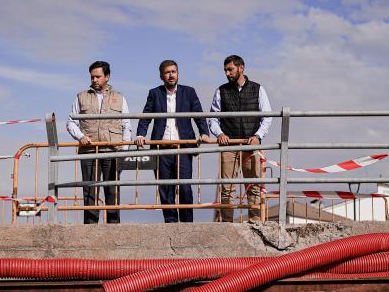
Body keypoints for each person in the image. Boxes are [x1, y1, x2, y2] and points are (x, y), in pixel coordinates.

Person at [136, 60, 211, 223]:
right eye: (167, 72)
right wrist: (140, 135)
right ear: (161, 76)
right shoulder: (154, 93)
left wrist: (204, 133)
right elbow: (145, 117)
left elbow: (199, 115)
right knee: (165, 188)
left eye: (174, 71)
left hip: (183, 147)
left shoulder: (189, 92)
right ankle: (171, 224)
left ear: (178, 73)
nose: (171, 75)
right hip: (162, 148)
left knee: (185, 188)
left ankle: (187, 225)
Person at [206, 55, 272, 223]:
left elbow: (267, 117)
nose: (227, 73)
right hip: (229, 145)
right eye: (225, 70)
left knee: (254, 187)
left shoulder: (258, 89)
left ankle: (256, 224)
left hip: (252, 145)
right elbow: (213, 118)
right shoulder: (221, 90)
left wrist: (258, 136)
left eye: (230, 69)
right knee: (227, 188)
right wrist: (219, 134)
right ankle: (227, 226)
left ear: (241, 68)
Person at [67, 60, 132, 224]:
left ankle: (114, 228)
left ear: (107, 77)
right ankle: (90, 229)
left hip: (113, 152)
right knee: (90, 192)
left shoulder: (119, 98)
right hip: (89, 153)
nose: (94, 80)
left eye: (98, 76)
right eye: (92, 77)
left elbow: (126, 125)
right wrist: (80, 136)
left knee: (113, 192)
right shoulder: (81, 96)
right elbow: (71, 122)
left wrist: (124, 151)